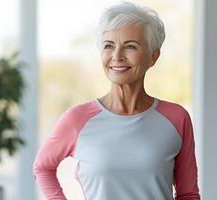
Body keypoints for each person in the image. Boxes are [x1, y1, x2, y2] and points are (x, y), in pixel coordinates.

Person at [33, 2, 200, 200]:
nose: (117, 56)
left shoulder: (176, 118)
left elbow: (188, 194)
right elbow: (43, 167)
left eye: (130, 46)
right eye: (108, 46)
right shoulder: (77, 119)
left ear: (153, 56)